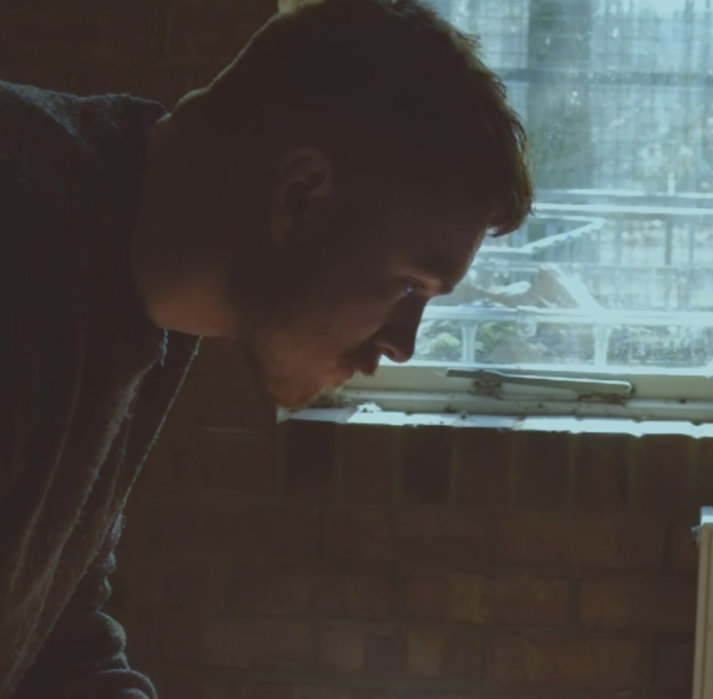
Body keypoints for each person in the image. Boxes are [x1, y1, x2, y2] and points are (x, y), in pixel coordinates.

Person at [0, 0, 532, 696]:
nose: (402, 344)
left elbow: (56, 639)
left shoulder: (143, 296)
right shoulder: (24, 241)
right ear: (300, 196)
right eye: (409, 286)